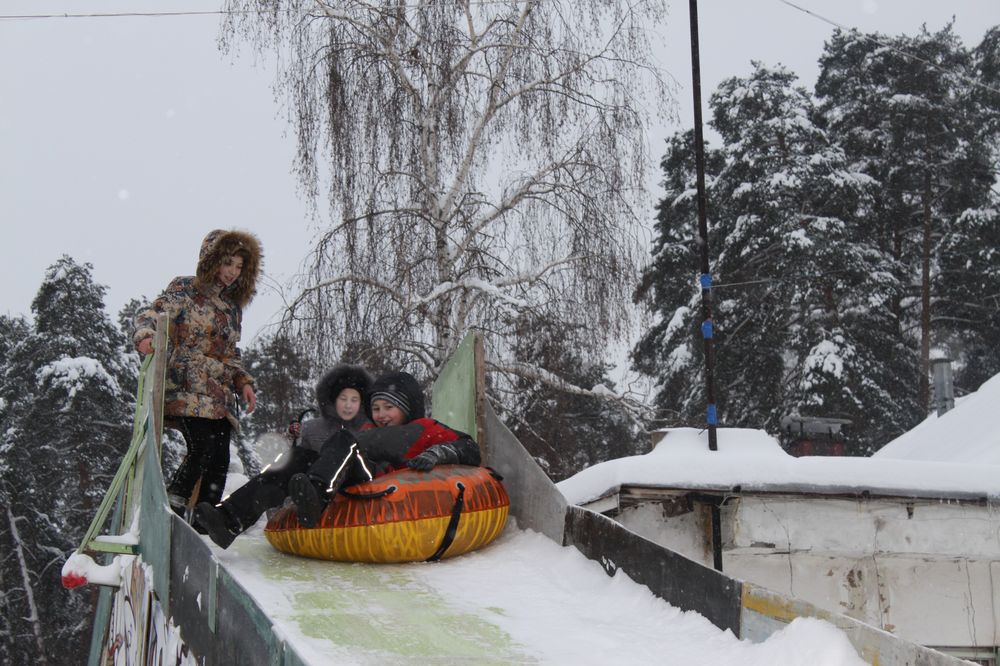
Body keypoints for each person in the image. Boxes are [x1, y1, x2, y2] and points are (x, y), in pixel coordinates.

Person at [133, 229, 262, 519]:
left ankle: (206, 521)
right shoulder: (186, 289)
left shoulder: (232, 308)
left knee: (220, 458)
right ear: (212, 260)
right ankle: (173, 506)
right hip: (186, 383)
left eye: (239, 266)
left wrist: (243, 381)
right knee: (202, 446)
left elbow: (230, 354)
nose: (232, 272)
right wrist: (145, 335)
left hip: (218, 393)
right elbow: (154, 314)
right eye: (227, 263)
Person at [194, 364, 374, 548]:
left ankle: (318, 496)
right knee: (298, 456)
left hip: (357, 477)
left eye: (354, 400)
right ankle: (229, 520)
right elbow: (295, 470)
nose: (348, 405)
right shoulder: (313, 429)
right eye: (343, 399)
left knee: (344, 438)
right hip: (314, 489)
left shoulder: (369, 427)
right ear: (333, 400)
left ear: (362, 403)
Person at [288, 370, 482, 529]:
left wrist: (437, 453)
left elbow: (469, 447)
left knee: (349, 440)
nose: (381, 415)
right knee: (331, 445)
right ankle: (309, 496)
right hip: (368, 477)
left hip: (398, 494)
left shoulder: (425, 429)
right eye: (376, 409)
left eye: (389, 407)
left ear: (407, 408)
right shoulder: (368, 430)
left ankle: (317, 495)